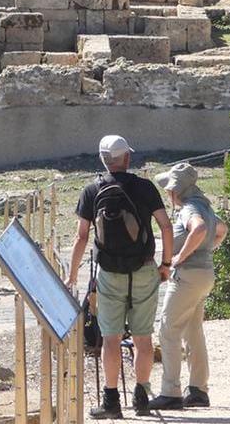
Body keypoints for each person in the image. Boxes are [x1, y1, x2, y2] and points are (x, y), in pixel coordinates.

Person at [66, 135, 173, 419]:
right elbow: (165, 226)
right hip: (144, 268)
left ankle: (111, 401)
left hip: (109, 272)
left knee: (110, 338)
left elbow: (81, 237)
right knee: (143, 338)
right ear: (127, 158)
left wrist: (72, 275)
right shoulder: (145, 187)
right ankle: (141, 397)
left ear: (103, 160)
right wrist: (166, 264)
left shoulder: (91, 190)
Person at [146, 163, 227, 411]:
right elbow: (221, 230)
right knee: (193, 330)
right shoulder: (205, 206)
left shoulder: (189, 209)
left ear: (175, 189)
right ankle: (198, 389)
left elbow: (199, 228)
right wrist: (206, 250)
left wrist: (179, 258)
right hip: (205, 274)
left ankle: (170, 392)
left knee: (168, 331)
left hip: (187, 276)